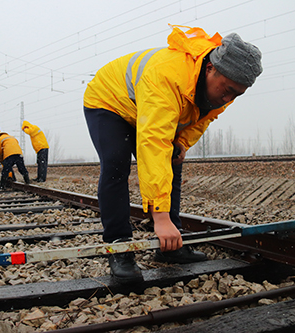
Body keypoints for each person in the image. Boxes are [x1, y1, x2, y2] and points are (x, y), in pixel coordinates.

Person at [83, 25, 262, 284]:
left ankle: (170, 246)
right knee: (116, 165)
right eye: (227, 89)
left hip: (147, 108)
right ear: (210, 68)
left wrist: (182, 142)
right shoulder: (167, 76)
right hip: (109, 101)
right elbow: (152, 142)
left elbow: (204, 117)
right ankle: (119, 248)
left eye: (236, 94)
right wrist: (160, 216)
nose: (228, 98)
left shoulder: (224, 87)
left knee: (172, 158)